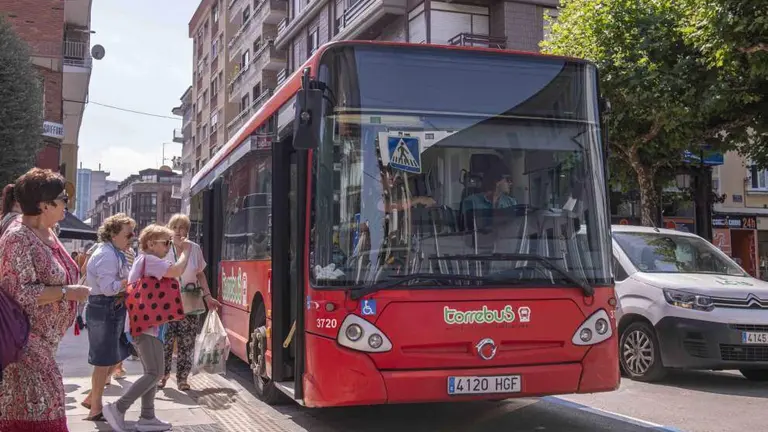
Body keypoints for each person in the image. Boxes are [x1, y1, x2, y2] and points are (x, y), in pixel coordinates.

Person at [0, 168, 91, 432]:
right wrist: (67, 293)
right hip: (26, 340)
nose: (67, 203)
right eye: (63, 198)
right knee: (42, 410)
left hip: (46, 340)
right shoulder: (17, 237)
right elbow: (20, 291)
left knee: (32, 408)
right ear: (44, 205)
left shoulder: (50, 232)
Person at [103, 224, 192, 432]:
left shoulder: (146, 261)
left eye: (170, 243)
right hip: (146, 327)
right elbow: (177, 270)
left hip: (150, 325)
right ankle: (118, 407)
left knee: (151, 371)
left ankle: (148, 416)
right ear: (151, 244)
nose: (168, 247)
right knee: (155, 372)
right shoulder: (150, 260)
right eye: (166, 243)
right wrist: (186, 251)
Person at [82, 213, 136, 421]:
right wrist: (126, 284)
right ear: (113, 234)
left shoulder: (115, 252)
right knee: (103, 359)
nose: (131, 238)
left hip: (110, 308)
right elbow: (107, 288)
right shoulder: (107, 254)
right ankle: (95, 408)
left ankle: (91, 398)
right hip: (105, 307)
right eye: (128, 234)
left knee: (118, 353)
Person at [158, 214, 220, 391]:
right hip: (167, 303)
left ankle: (182, 378)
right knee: (165, 342)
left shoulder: (194, 248)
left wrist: (208, 296)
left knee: (187, 342)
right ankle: (162, 376)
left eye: (182, 227)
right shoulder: (163, 247)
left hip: (190, 302)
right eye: (175, 227)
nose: (178, 231)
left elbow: (200, 274)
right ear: (169, 229)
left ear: (187, 230)